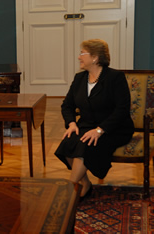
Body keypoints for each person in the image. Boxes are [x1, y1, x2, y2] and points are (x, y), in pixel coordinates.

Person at [54, 39, 134, 200]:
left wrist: (100, 130)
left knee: (85, 145)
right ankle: (85, 183)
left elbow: (122, 110)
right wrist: (71, 124)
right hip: (86, 125)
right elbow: (67, 105)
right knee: (68, 142)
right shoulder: (80, 79)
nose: (79, 57)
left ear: (95, 58)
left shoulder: (115, 78)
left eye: (82, 53)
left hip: (114, 128)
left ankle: (71, 188)